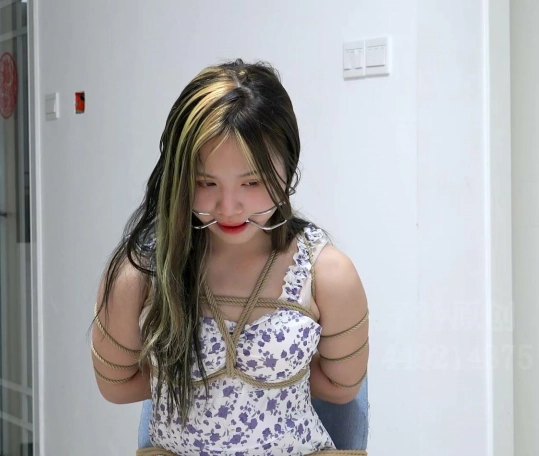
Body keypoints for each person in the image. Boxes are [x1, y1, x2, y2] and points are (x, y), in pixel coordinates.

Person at [91, 59, 370, 455]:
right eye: (205, 183)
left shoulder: (327, 274)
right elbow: (115, 385)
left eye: (252, 182)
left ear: (288, 167)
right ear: (178, 178)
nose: (228, 207)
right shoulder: (139, 272)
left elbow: (342, 389)